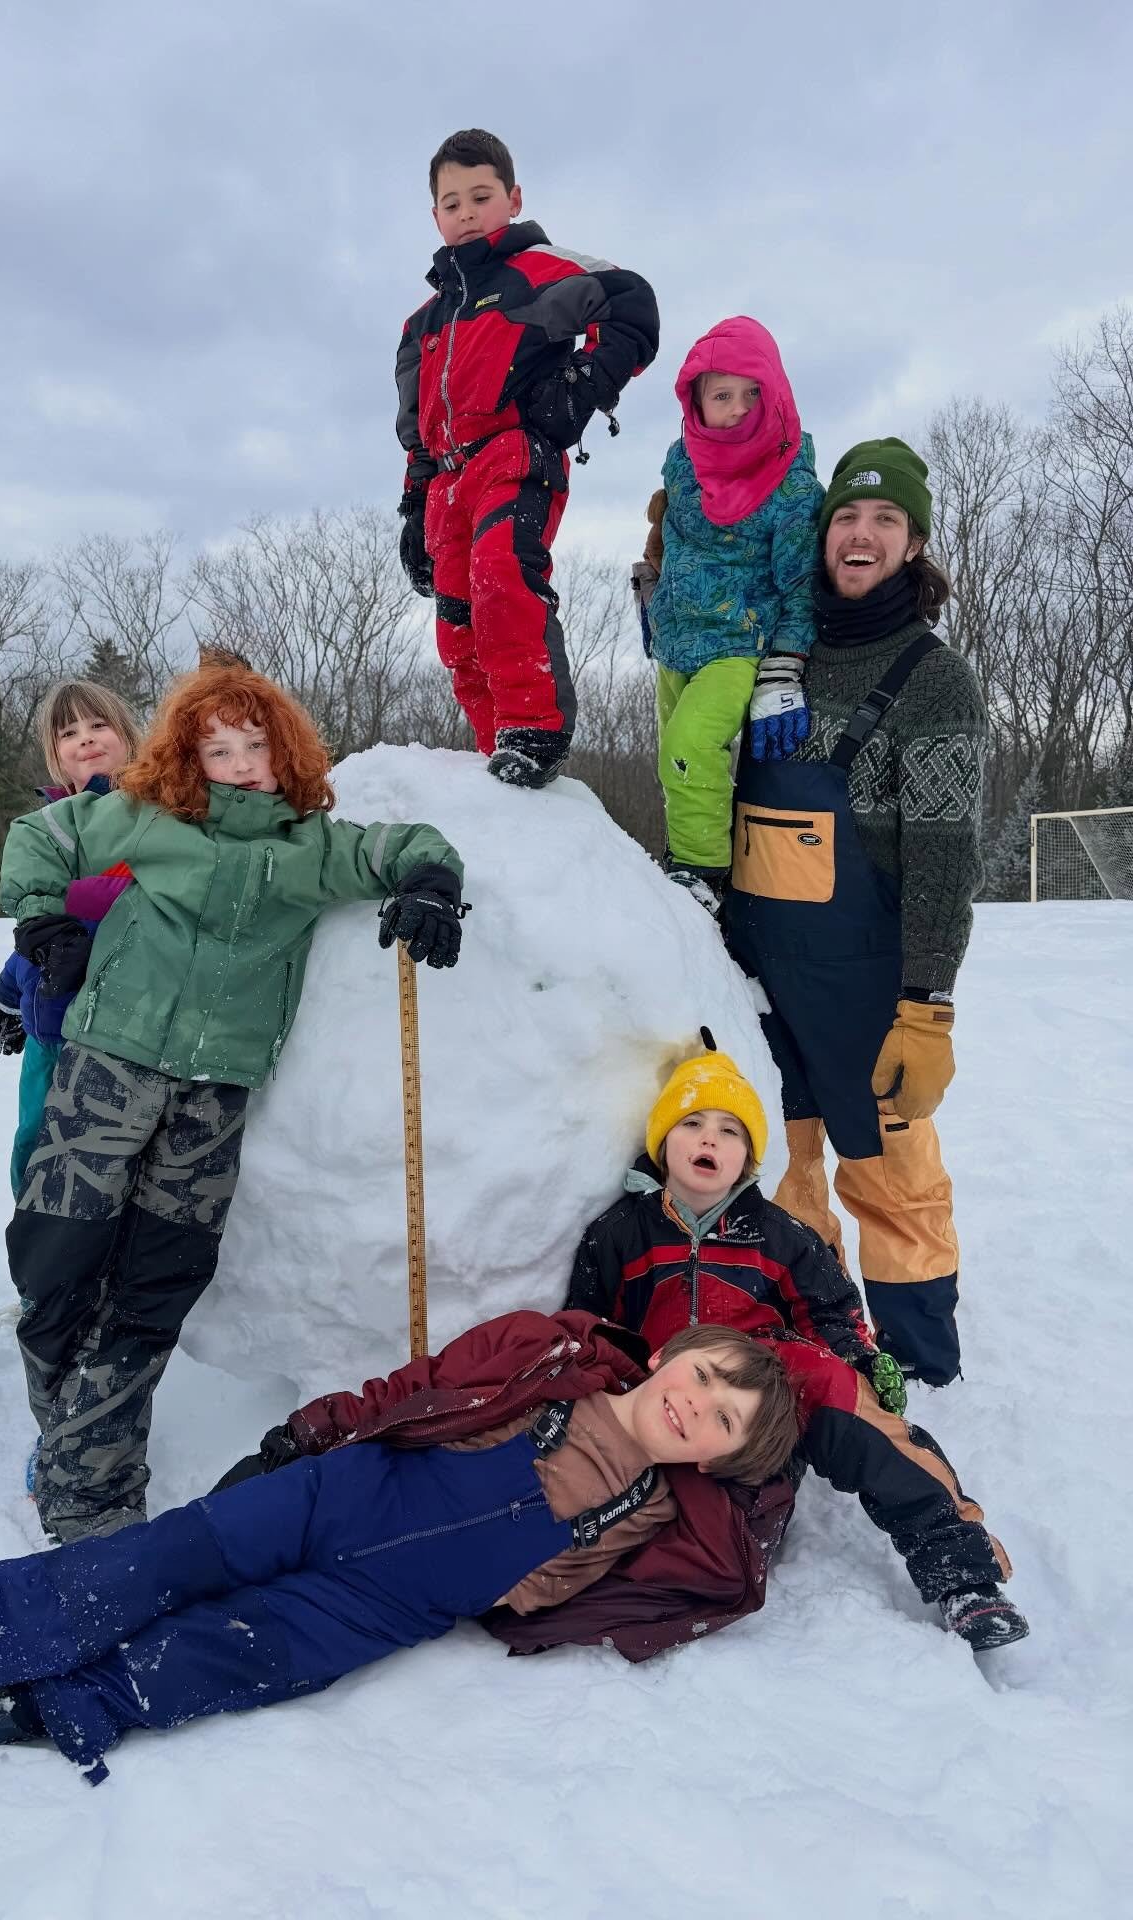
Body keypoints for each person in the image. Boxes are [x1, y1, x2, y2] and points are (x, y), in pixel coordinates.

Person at [0, 1319, 798, 1826]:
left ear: (716, 1458)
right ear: (675, 1354)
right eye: (702, 1377)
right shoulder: (551, 1353)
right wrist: (308, 1432)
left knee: (166, 1672)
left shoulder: (657, 1512)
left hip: (375, 1610)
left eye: (721, 1421)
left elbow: (704, 1575)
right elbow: (422, 1384)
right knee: (137, 1568)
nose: (694, 1404)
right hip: (343, 1492)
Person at [0, 654, 469, 1544]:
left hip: (215, 1095)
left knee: (157, 1280)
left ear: (284, 750)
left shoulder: (310, 849)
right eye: (218, 749)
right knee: (56, 1259)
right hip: (109, 1064)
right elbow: (42, 841)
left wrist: (430, 888)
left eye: (255, 743)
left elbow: (407, 845)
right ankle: (75, 1445)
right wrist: (40, 920)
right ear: (188, 759)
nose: (241, 762)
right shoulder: (148, 819)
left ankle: (91, 1494)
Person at [567, 1040, 1027, 1650]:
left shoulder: (781, 1234)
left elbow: (831, 1310)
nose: (710, 1140)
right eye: (693, 1123)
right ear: (661, 1141)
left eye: (730, 1131)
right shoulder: (620, 1234)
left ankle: (962, 1574)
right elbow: (588, 1323)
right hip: (671, 1386)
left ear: (750, 1156)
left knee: (845, 1404)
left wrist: (860, 1361)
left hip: (766, 1373)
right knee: (691, 1505)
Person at [720, 440, 985, 1386]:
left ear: (913, 544)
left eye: (885, 520)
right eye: (846, 516)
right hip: (759, 970)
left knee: (893, 1182)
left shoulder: (933, 679)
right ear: (823, 535)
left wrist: (927, 1002)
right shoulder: (771, 656)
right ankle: (815, 1350)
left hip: (872, 983)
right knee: (787, 1177)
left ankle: (921, 1363)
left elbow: (945, 860)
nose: (861, 533)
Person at [396, 127, 659, 789]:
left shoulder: (539, 269)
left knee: (500, 577)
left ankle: (530, 731)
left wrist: (579, 386)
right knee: (455, 617)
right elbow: (417, 430)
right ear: (434, 215)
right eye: (451, 203)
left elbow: (632, 304)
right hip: (447, 483)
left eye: (480, 197)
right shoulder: (423, 323)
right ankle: (493, 750)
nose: (465, 213)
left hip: (515, 452)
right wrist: (411, 506)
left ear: (512, 199)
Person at [631, 316, 823, 913]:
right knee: (674, 763)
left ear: (776, 395)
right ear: (696, 402)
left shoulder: (791, 482)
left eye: (752, 393)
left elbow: (802, 584)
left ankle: (702, 878)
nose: (737, 408)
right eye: (722, 395)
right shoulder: (681, 461)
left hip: (740, 642)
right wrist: (652, 584)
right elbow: (674, 536)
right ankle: (683, 856)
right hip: (675, 640)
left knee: (691, 743)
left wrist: (785, 664)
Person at [0, 679, 143, 1194]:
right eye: (69, 732)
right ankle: (33, 1239)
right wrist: (7, 999)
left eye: (99, 724)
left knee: (114, 1151)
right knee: (35, 1139)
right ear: (57, 756)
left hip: (127, 1023)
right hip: (52, 1022)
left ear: (129, 736)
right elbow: (36, 931)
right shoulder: (47, 828)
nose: (86, 739)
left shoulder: (154, 817)